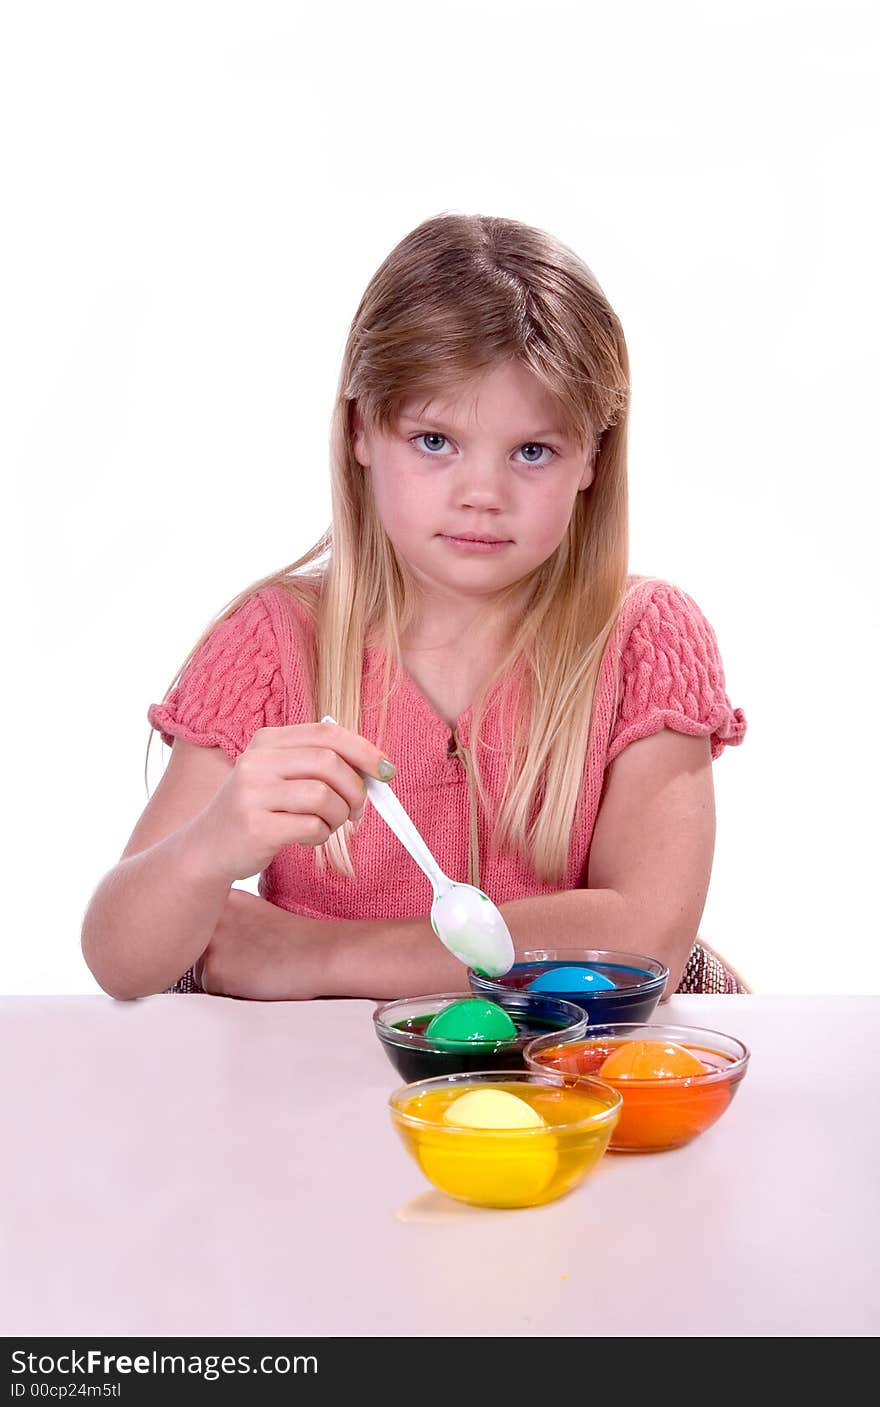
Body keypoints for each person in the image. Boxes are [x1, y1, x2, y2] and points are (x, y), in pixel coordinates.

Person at [80, 211, 748, 1003]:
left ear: (592, 459)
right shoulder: (275, 643)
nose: (482, 495)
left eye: (532, 451)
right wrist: (211, 844)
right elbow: (118, 957)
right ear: (362, 429)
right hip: (318, 1090)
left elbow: (641, 943)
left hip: (572, 1091)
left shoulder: (644, 641)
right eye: (435, 441)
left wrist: (312, 957)